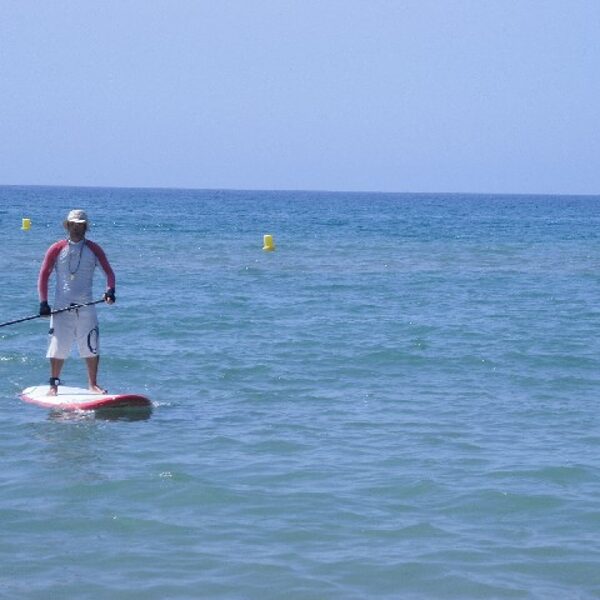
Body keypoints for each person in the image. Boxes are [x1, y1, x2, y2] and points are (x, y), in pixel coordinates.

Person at [38, 209, 116, 396]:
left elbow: (109, 273)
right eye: (73, 224)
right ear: (68, 225)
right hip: (61, 307)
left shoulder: (94, 249)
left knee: (91, 345)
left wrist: (110, 291)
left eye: (80, 225)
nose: (76, 228)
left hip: (86, 306)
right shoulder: (56, 248)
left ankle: (93, 384)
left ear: (85, 227)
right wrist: (43, 303)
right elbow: (44, 276)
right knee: (58, 346)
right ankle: (54, 385)